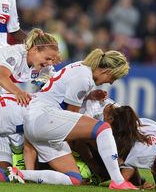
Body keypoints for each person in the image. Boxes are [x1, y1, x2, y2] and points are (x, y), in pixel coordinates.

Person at [19, 48, 138, 189]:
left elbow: (60, 94)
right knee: (103, 128)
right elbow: (72, 119)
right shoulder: (84, 79)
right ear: (107, 72)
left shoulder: (82, 67)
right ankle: (118, 181)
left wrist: (89, 96)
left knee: (74, 179)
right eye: (113, 78)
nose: (111, 83)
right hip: (43, 117)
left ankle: (20, 174)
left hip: (37, 120)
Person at [0, 28, 59, 106]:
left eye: (53, 60)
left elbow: (46, 84)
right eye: (48, 58)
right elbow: (2, 78)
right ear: (35, 49)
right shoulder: (16, 54)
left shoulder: (42, 66)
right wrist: (18, 92)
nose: (50, 63)